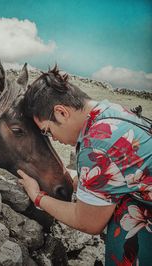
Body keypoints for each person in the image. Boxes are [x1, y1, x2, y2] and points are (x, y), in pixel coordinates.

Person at [18, 66, 152, 266]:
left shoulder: (97, 145)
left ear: (61, 113)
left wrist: (38, 197)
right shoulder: (111, 111)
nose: (53, 138)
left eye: (47, 131)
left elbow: (88, 222)